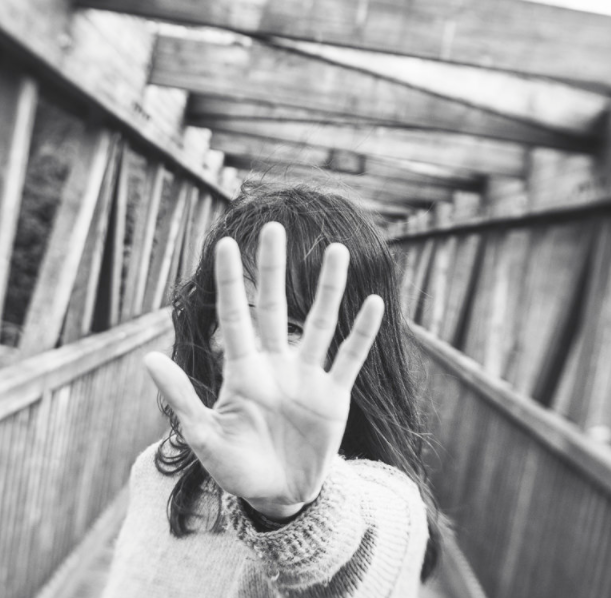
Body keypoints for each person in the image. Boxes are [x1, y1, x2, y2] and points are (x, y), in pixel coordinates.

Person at [103, 185, 441, 597]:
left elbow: (355, 540)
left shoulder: (394, 507)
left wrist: (288, 514)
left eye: (290, 327)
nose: (245, 348)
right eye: (230, 315)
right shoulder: (159, 466)